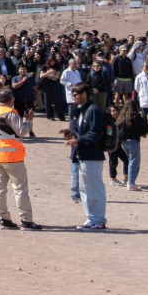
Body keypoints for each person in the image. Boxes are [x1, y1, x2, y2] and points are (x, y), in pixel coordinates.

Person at [0, 88, 40, 230]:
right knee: (20, 189)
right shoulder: (11, 113)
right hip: (12, 158)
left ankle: (4, 219)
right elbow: (22, 131)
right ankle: (26, 220)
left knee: (0, 190)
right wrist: (29, 120)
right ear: (11, 100)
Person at [66, 83, 107, 230]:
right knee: (85, 189)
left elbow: (96, 134)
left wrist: (78, 140)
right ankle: (91, 218)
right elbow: (83, 131)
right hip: (82, 155)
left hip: (93, 156)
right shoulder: (81, 111)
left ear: (85, 94)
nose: (73, 97)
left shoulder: (93, 110)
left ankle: (98, 220)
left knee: (95, 188)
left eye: (76, 95)